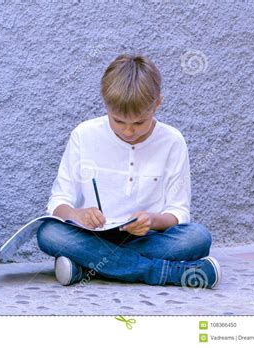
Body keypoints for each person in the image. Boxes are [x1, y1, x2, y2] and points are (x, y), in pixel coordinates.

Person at [37, 54, 221, 289]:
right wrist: (78, 214)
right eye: (119, 121)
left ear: (158, 104)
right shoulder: (84, 134)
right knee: (50, 233)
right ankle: (167, 272)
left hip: (146, 238)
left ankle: (86, 266)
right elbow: (58, 203)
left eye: (139, 123)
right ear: (106, 105)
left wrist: (152, 220)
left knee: (197, 237)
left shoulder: (172, 141)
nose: (129, 132)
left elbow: (178, 212)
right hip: (93, 236)